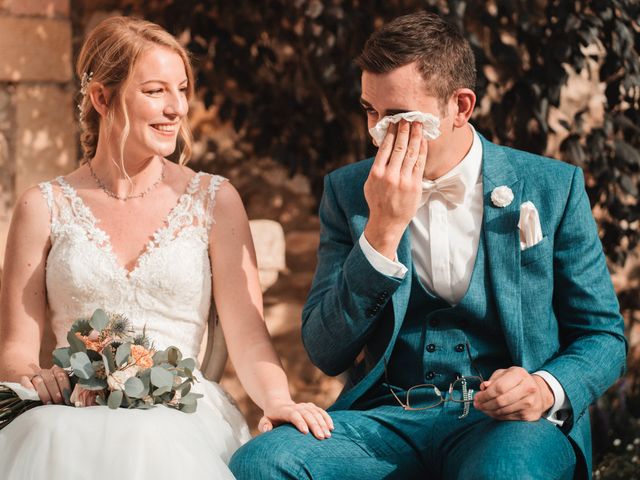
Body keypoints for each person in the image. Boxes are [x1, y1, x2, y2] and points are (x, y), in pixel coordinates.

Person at [229, 11, 627, 480]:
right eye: (370, 111)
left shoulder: (550, 187)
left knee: (505, 471)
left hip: (505, 425)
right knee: (262, 461)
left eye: (398, 116)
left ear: (460, 107)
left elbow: (603, 335)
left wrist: (543, 387)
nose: (378, 134)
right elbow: (324, 350)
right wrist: (381, 233)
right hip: (385, 421)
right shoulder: (348, 192)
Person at [0, 16, 332, 479]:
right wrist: (39, 378)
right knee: (50, 433)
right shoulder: (43, 206)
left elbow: (249, 333)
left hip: (181, 414)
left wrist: (278, 400)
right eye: (156, 91)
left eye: (181, 89)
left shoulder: (214, 199)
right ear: (101, 97)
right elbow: (15, 349)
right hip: (71, 411)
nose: (177, 107)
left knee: (147, 436)